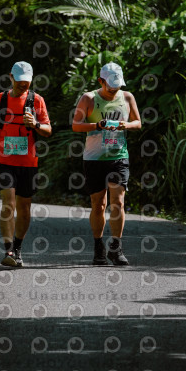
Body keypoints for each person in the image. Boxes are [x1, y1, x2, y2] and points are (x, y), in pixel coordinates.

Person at [0, 61, 52, 267]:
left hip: (28, 161)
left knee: (24, 207)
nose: (23, 85)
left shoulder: (36, 100)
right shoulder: (1, 99)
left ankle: (18, 248)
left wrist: (35, 124)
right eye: (20, 81)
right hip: (4, 159)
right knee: (8, 202)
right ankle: (9, 250)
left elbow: (48, 130)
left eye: (27, 82)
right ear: (11, 78)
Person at [72, 62, 142, 265]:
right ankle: (98, 247)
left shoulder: (127, 97)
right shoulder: (88, 98)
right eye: (110, 86)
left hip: (118, 156)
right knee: (99, 204)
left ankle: (116, 248)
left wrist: (125, 125)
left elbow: (138, 122)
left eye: (117, 86)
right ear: (100, 81)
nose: (114, 89)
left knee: (118, 202)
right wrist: (97, 125)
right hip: (94, 158)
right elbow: (76, 125)